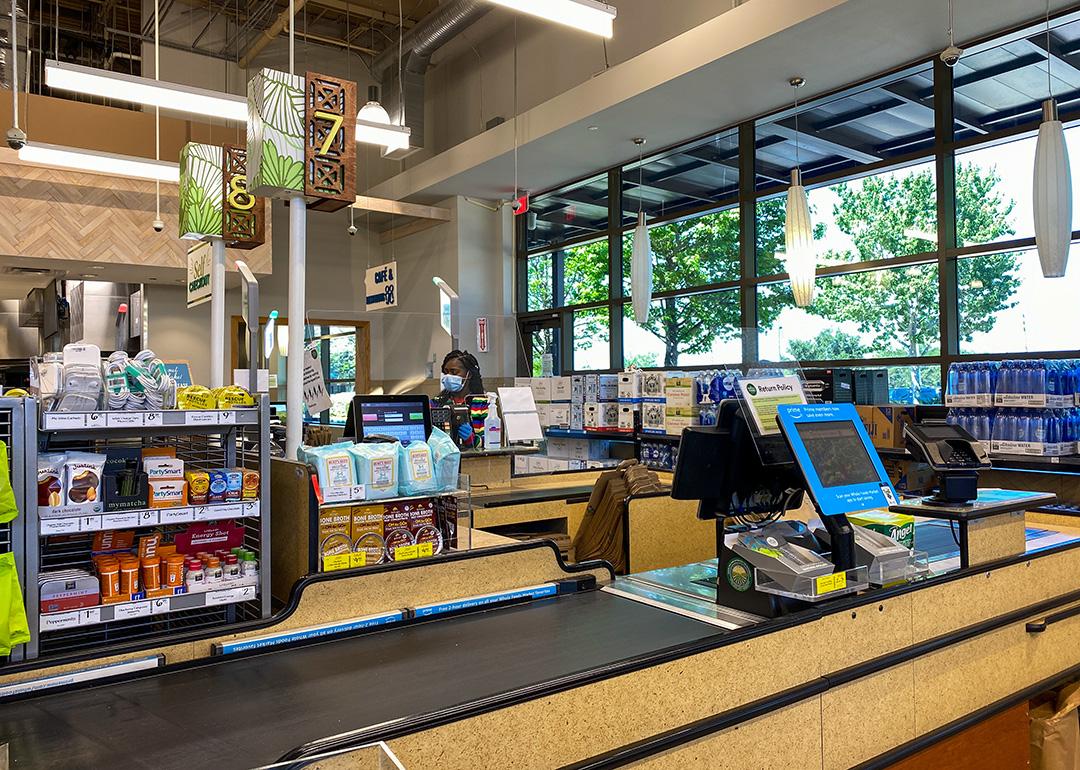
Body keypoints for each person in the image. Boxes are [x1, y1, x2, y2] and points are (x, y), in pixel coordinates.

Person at [437, 350, 485, 447]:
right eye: (446, 372)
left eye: (454, 372)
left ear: (469, 374)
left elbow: (493, 440)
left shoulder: (482, 405)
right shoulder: (436, 403)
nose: (449, 376)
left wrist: (471, 439)